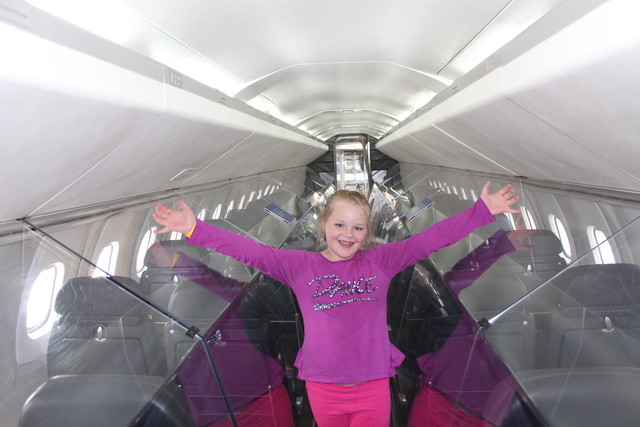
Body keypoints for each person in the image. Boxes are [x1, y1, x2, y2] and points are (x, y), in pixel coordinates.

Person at [153, 181, 519, 427]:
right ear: (324, 225)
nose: (348, 235)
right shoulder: (298, 266)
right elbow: (246, 249)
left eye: (358, 228)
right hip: (323, 386)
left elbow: (433, 239)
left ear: (367, 232)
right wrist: (193, 229)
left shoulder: (382, 261)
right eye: (340, 225)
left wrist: (482, 211)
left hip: (373, 384)